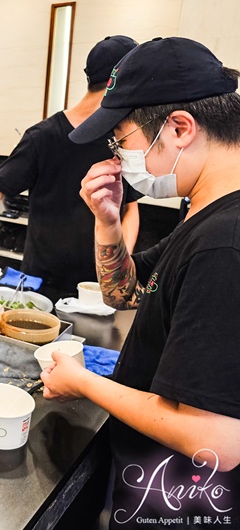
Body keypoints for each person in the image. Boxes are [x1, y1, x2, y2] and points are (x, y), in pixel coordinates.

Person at [44, 37, 240, 528]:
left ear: (178, 129)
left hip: (185, 499)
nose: (117, 156)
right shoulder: (204, 211)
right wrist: (107, 222)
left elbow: (214, 440)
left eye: (122, 139)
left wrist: (83, 381)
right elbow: (124, 294)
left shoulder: (225, 244)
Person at [0, 36, 142, 297]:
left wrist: (118, 266)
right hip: (41, 281)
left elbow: (131, 209)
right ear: (117, 83)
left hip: (99, 285)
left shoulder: (122, 138)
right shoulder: (43, 136)